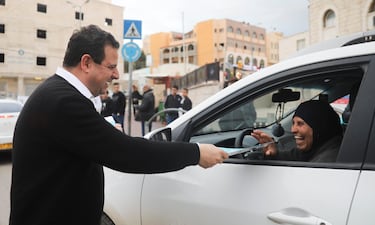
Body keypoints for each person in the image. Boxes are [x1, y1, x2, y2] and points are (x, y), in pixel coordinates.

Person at [9, 25, 228, 225]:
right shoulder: (64, 101)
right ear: (86, 63)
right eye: (111, 66)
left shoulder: (57, 93)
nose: (116, 74)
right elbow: (127, 153)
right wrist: (196, 153)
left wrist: (102, 132)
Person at [251, 100, 343, 162]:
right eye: (293, 123)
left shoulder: (326, 161)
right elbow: (296, 156)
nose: (293, 130)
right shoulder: (318, 148)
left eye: (300, 124)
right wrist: (275, 153)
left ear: (318, 127)